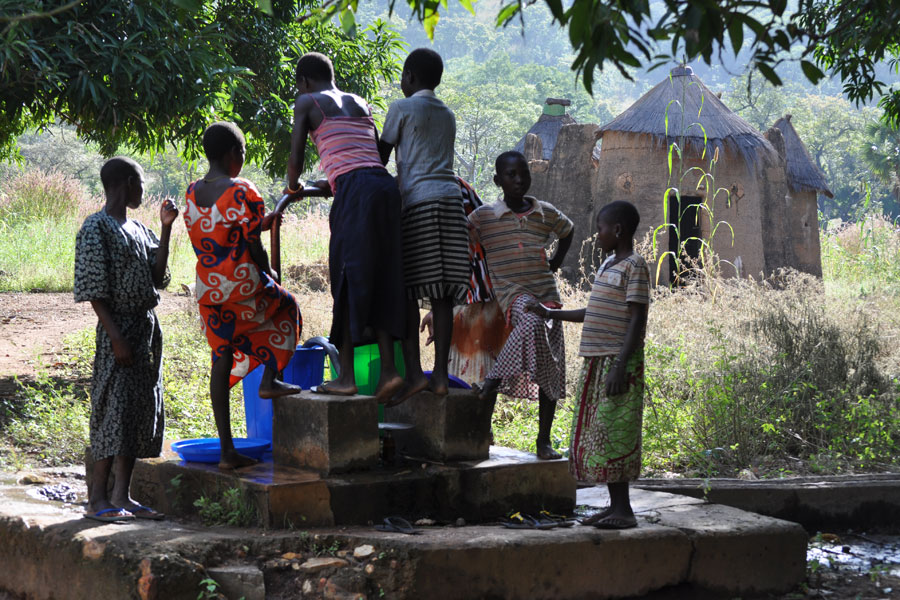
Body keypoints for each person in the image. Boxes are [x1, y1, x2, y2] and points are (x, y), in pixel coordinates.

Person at [276, 52, 405, 402]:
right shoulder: (360, 102)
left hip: (356, 193)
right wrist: (332, 180)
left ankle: (346, 377)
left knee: (348, 276)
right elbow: (372, 156)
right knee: (380, 276)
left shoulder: (307, 102)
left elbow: (296, 158)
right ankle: (390, 371)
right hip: (384, 187)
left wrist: (292, 189)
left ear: (303, 82)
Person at [184, 122, 302, 469]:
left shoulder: (191, 192)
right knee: (287, 307)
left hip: (208, 289)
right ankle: (269, 379)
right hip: (241, 283)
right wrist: (269, 274)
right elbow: (252, 243)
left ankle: (226, 453)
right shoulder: (242, 190)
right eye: (243, 154)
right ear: (233, 154)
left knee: (221, 356)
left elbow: (214, 232)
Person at [529, 200, 650, 529]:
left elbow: (637, 318)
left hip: (617, 361)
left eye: (601, 228)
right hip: (597, 360)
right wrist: (552, 313)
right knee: (600, 433)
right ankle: (615, 507)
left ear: (618, 230)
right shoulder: (608, 265)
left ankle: (624, 511)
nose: (598, 235)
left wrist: (620, 366)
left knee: (615, 434)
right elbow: (591, 312)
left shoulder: (634, 266)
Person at [75, 156, 176, 522]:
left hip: (145, 329)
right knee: (111, 410)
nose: (144, 190)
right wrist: (116, 337)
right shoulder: (96, 228)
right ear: (126, 183)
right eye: (141, 183)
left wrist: (165, 230)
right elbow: (92, 290)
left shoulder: (139, 228)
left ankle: (123, 497)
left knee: (137, 411)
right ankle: (97, 500)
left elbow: (159, 276)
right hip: (117, 329)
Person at [379, 48, 470, 401]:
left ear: (410, 77)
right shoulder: (447, 113)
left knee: (408, 290)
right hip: (451, 202)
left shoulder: (401, 108)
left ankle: (415, 372)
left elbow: (381, 156)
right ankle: (442, 376)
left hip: (418, 203)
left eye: (403, 76)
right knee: (442, 294)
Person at [470, 151, 574, 460]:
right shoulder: (485, 216)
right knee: (530, 319)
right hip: (512, 295)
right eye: (511, 175)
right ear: (497, 181)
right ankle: (489, 389)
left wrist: (555, 261)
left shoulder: (545, 212)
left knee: (551, 366)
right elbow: (463, 239)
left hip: (547, 293)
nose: (518, 180)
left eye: (523, 174)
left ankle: (543, 442)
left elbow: (567, 231)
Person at [421, 178, 512, 386]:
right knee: (461, 377)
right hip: (467, 301)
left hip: (484, 299)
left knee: (481, 378)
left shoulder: (452, 191)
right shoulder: (449, 189)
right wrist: (437, 309)